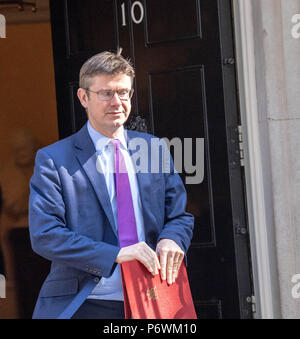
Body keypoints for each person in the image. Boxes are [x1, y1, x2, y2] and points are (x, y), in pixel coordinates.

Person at [29, 50, 194, 319]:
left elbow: (179, 216)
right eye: (106, 93)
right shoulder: (53, 159)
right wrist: (115, 254)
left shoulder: (153, 149)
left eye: (124, 93)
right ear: (84, 97)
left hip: (153, 300)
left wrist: (171, 239)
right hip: (87, 303)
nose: (117, 102)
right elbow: (45, 235)